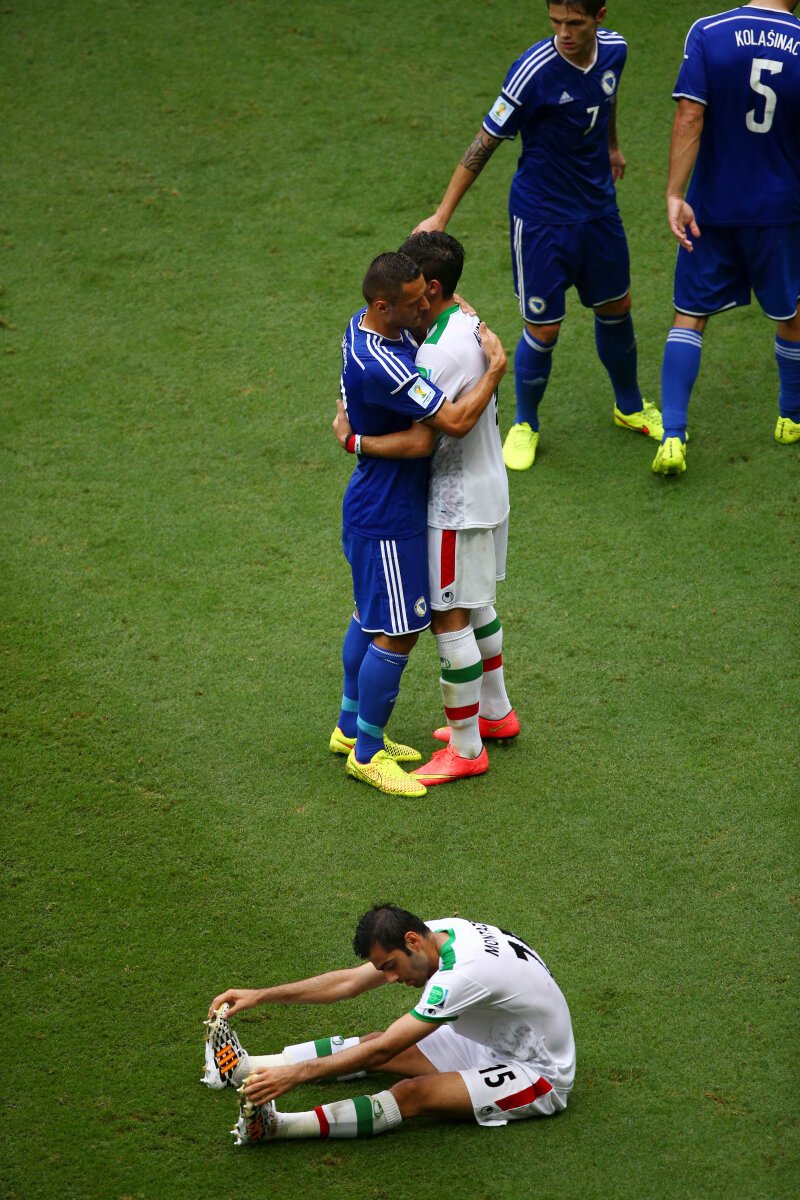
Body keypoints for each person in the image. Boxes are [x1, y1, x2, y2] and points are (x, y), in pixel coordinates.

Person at [414, 0, 662, 471]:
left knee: (617, 307)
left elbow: (607, 97)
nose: (564, 32)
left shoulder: (616, 50)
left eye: (575, 23)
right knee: (543, 328)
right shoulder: (532, 72)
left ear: (600, 16)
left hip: (598, 212)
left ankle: (629, 406)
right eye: (556, 21)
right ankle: (525, 423)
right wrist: (442, 214)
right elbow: (484, 142)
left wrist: (611, 146)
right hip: (542, 220)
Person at [334, 232, 519, 787]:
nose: (420, 309)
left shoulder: (370, 331)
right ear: (385, 303)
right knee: (422, 620)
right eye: (410, 301)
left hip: (432, 502)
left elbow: (433, 427)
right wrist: (494, 366)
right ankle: (373, 747)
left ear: (433, 288)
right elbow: (432, 434)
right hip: (418, 503)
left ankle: (379, 733)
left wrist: (354, 437)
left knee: (421, 616)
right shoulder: (443, 337)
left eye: (424, 298)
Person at [203, 903, 575, 1144]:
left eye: (392, 966)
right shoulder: (440, 932)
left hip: (537, 1072)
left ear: (412, 940)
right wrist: (261, 995)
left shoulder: (464, 973)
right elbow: (349, 982)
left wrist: (297, 1075)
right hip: (492, 1039)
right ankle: (244, 1070)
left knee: (411, 1093)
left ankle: (278, 1127)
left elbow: (387, 1048)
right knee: (373, 1041)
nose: (392, 979)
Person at [653, 0, 800, 477]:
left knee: (690, 314)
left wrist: (676, 193)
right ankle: (791, 416)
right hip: (781, 210)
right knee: (792, 309)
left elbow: (689, 116)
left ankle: (673, 435)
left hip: (711, 208)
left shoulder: (709, 32)